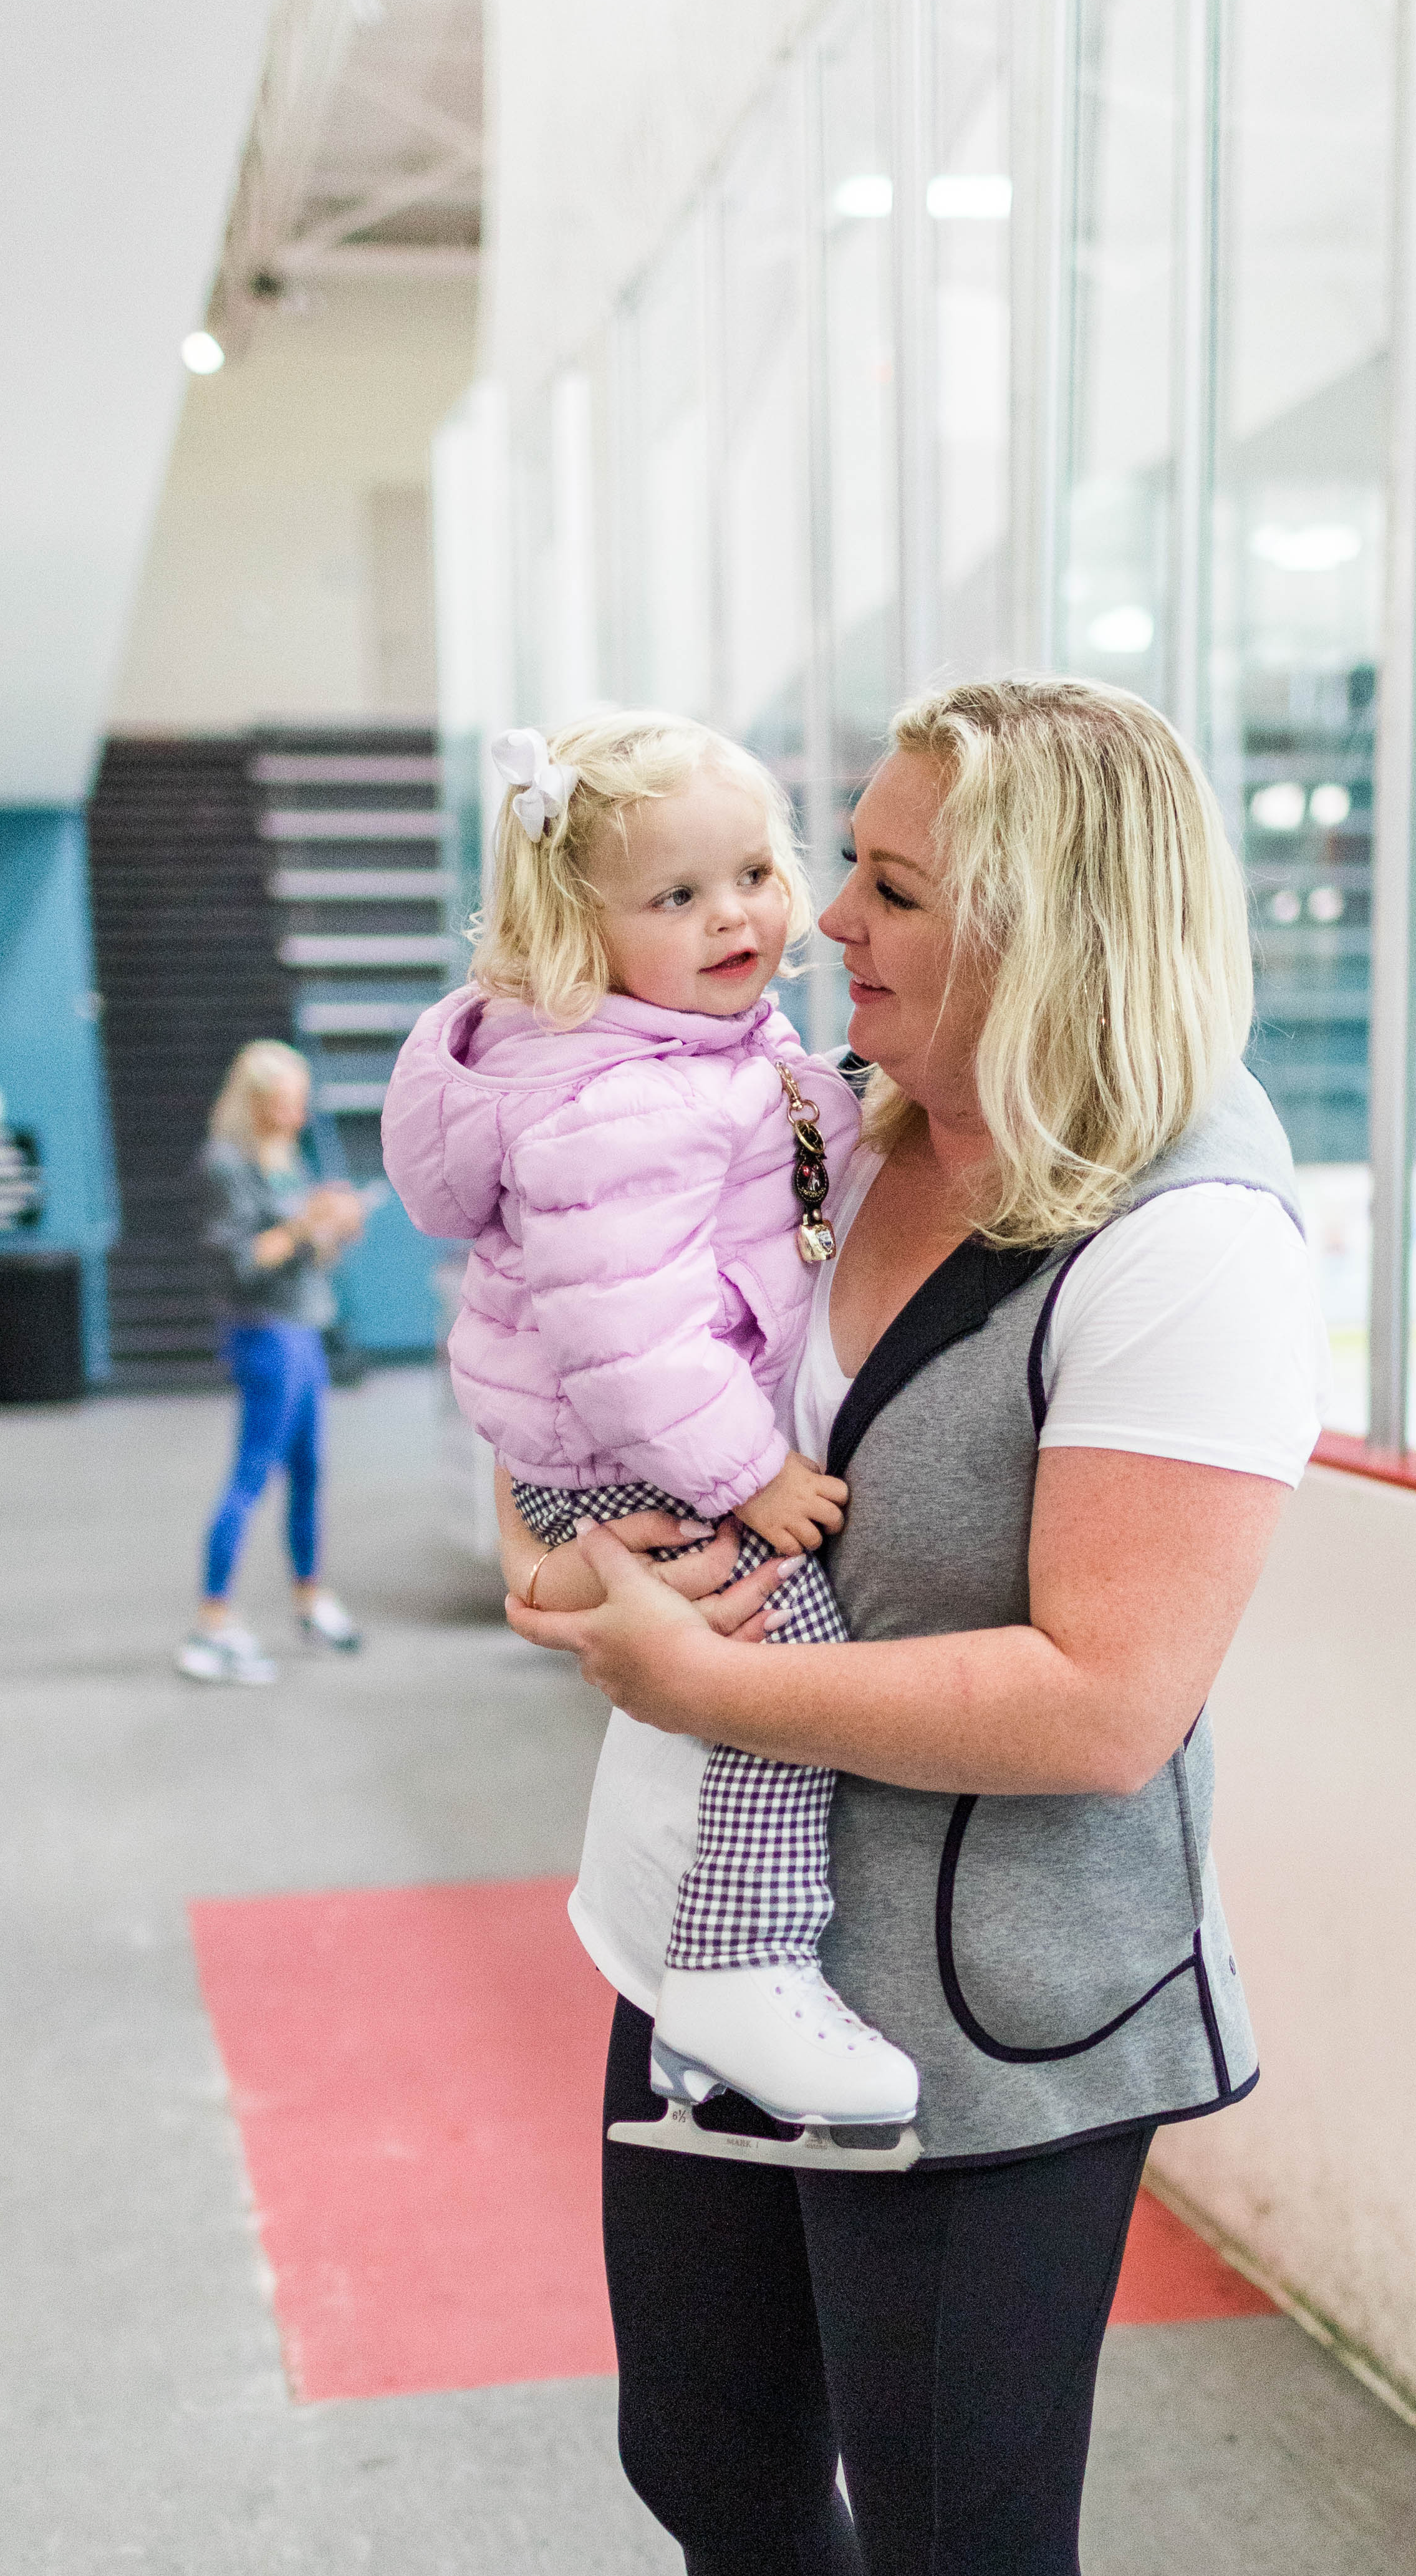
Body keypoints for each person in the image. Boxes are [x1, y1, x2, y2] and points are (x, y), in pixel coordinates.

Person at [501, 676, 1326, 2576]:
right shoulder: (828, 1123)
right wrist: (605, 1541)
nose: (811, 926)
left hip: (987, 2019)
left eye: (880, 885)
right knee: (710, 2450)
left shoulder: (1190, 1237)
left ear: (1051, 925)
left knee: (975, 2569)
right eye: (830, 866)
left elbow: (1107, 1696)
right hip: (722, 1943)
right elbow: (663, 1381)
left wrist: (708, 1661)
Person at [383, 715, 914, 2143]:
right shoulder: (623, 1101)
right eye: (676, 898)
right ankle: (739, 1968)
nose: (734, 914)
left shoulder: (686, 1039)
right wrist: (755, 1474)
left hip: (598, 1450)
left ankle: (725, 1980)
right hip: (637, 1451)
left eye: (750, 870)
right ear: (580, 929)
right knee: (787, 1656)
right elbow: (629, 1342)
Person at [177, 1042, 368, 1686]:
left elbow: (302, 1251)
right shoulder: (226, 1164)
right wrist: (305, 1226)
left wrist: (333, 1227)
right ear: (256, 1101)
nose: (298, 1112)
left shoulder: (286, 1157)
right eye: (286, 1101)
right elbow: (240, 1262)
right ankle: (212, 1622)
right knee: (252, 1473)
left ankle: (310, 1599)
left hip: (303, 1327)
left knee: (311, 1471)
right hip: (265, 1335)